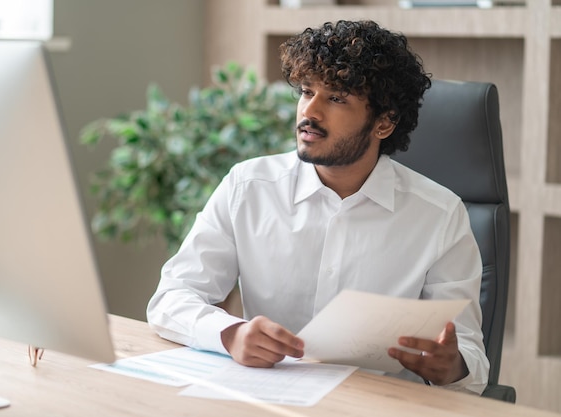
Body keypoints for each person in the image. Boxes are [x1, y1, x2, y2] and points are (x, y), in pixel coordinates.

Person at [147, 19, 489, 394]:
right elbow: (171, 298)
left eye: (337, 98)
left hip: (379, 404)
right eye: (306, 91)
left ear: (384, 123)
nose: (310, 111)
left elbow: (469, 353)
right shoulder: (248, 187)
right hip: (268, 397)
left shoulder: (439, 215)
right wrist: (231, 334)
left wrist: (450, 365)